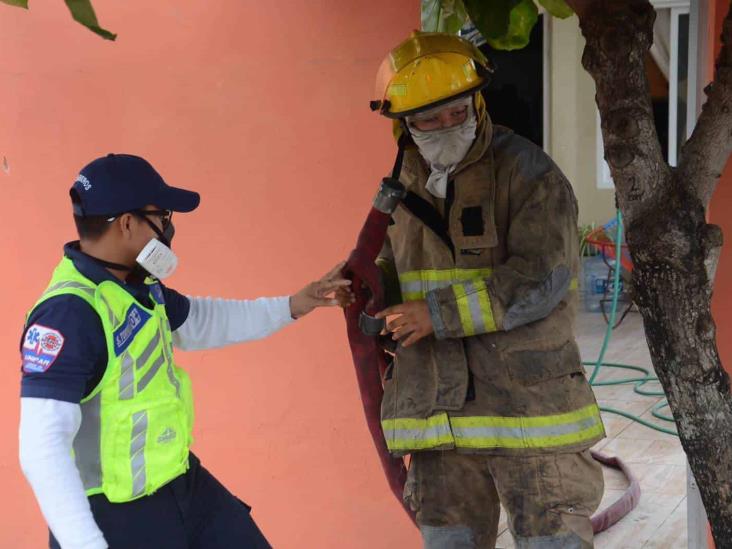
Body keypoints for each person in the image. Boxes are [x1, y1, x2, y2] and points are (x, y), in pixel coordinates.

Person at [18, 153, 350, 549]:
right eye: (161, 218)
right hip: (113, 514)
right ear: (126, 223)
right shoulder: (69, 313)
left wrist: (294, 304)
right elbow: (42, 446)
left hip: (180, 485)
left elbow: (201, 321)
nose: (167, 229)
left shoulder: (135, 285)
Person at [353, 32, 607, 548]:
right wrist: (363, 288)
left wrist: (436, 315)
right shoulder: (403, 182)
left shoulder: (528, 173)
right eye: (429, 118)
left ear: (477, 101)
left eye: (457, 110)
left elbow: (542, 277)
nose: (447, 125)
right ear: (405, 125)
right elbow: (390, 262)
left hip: (530, 412)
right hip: (438, 414)